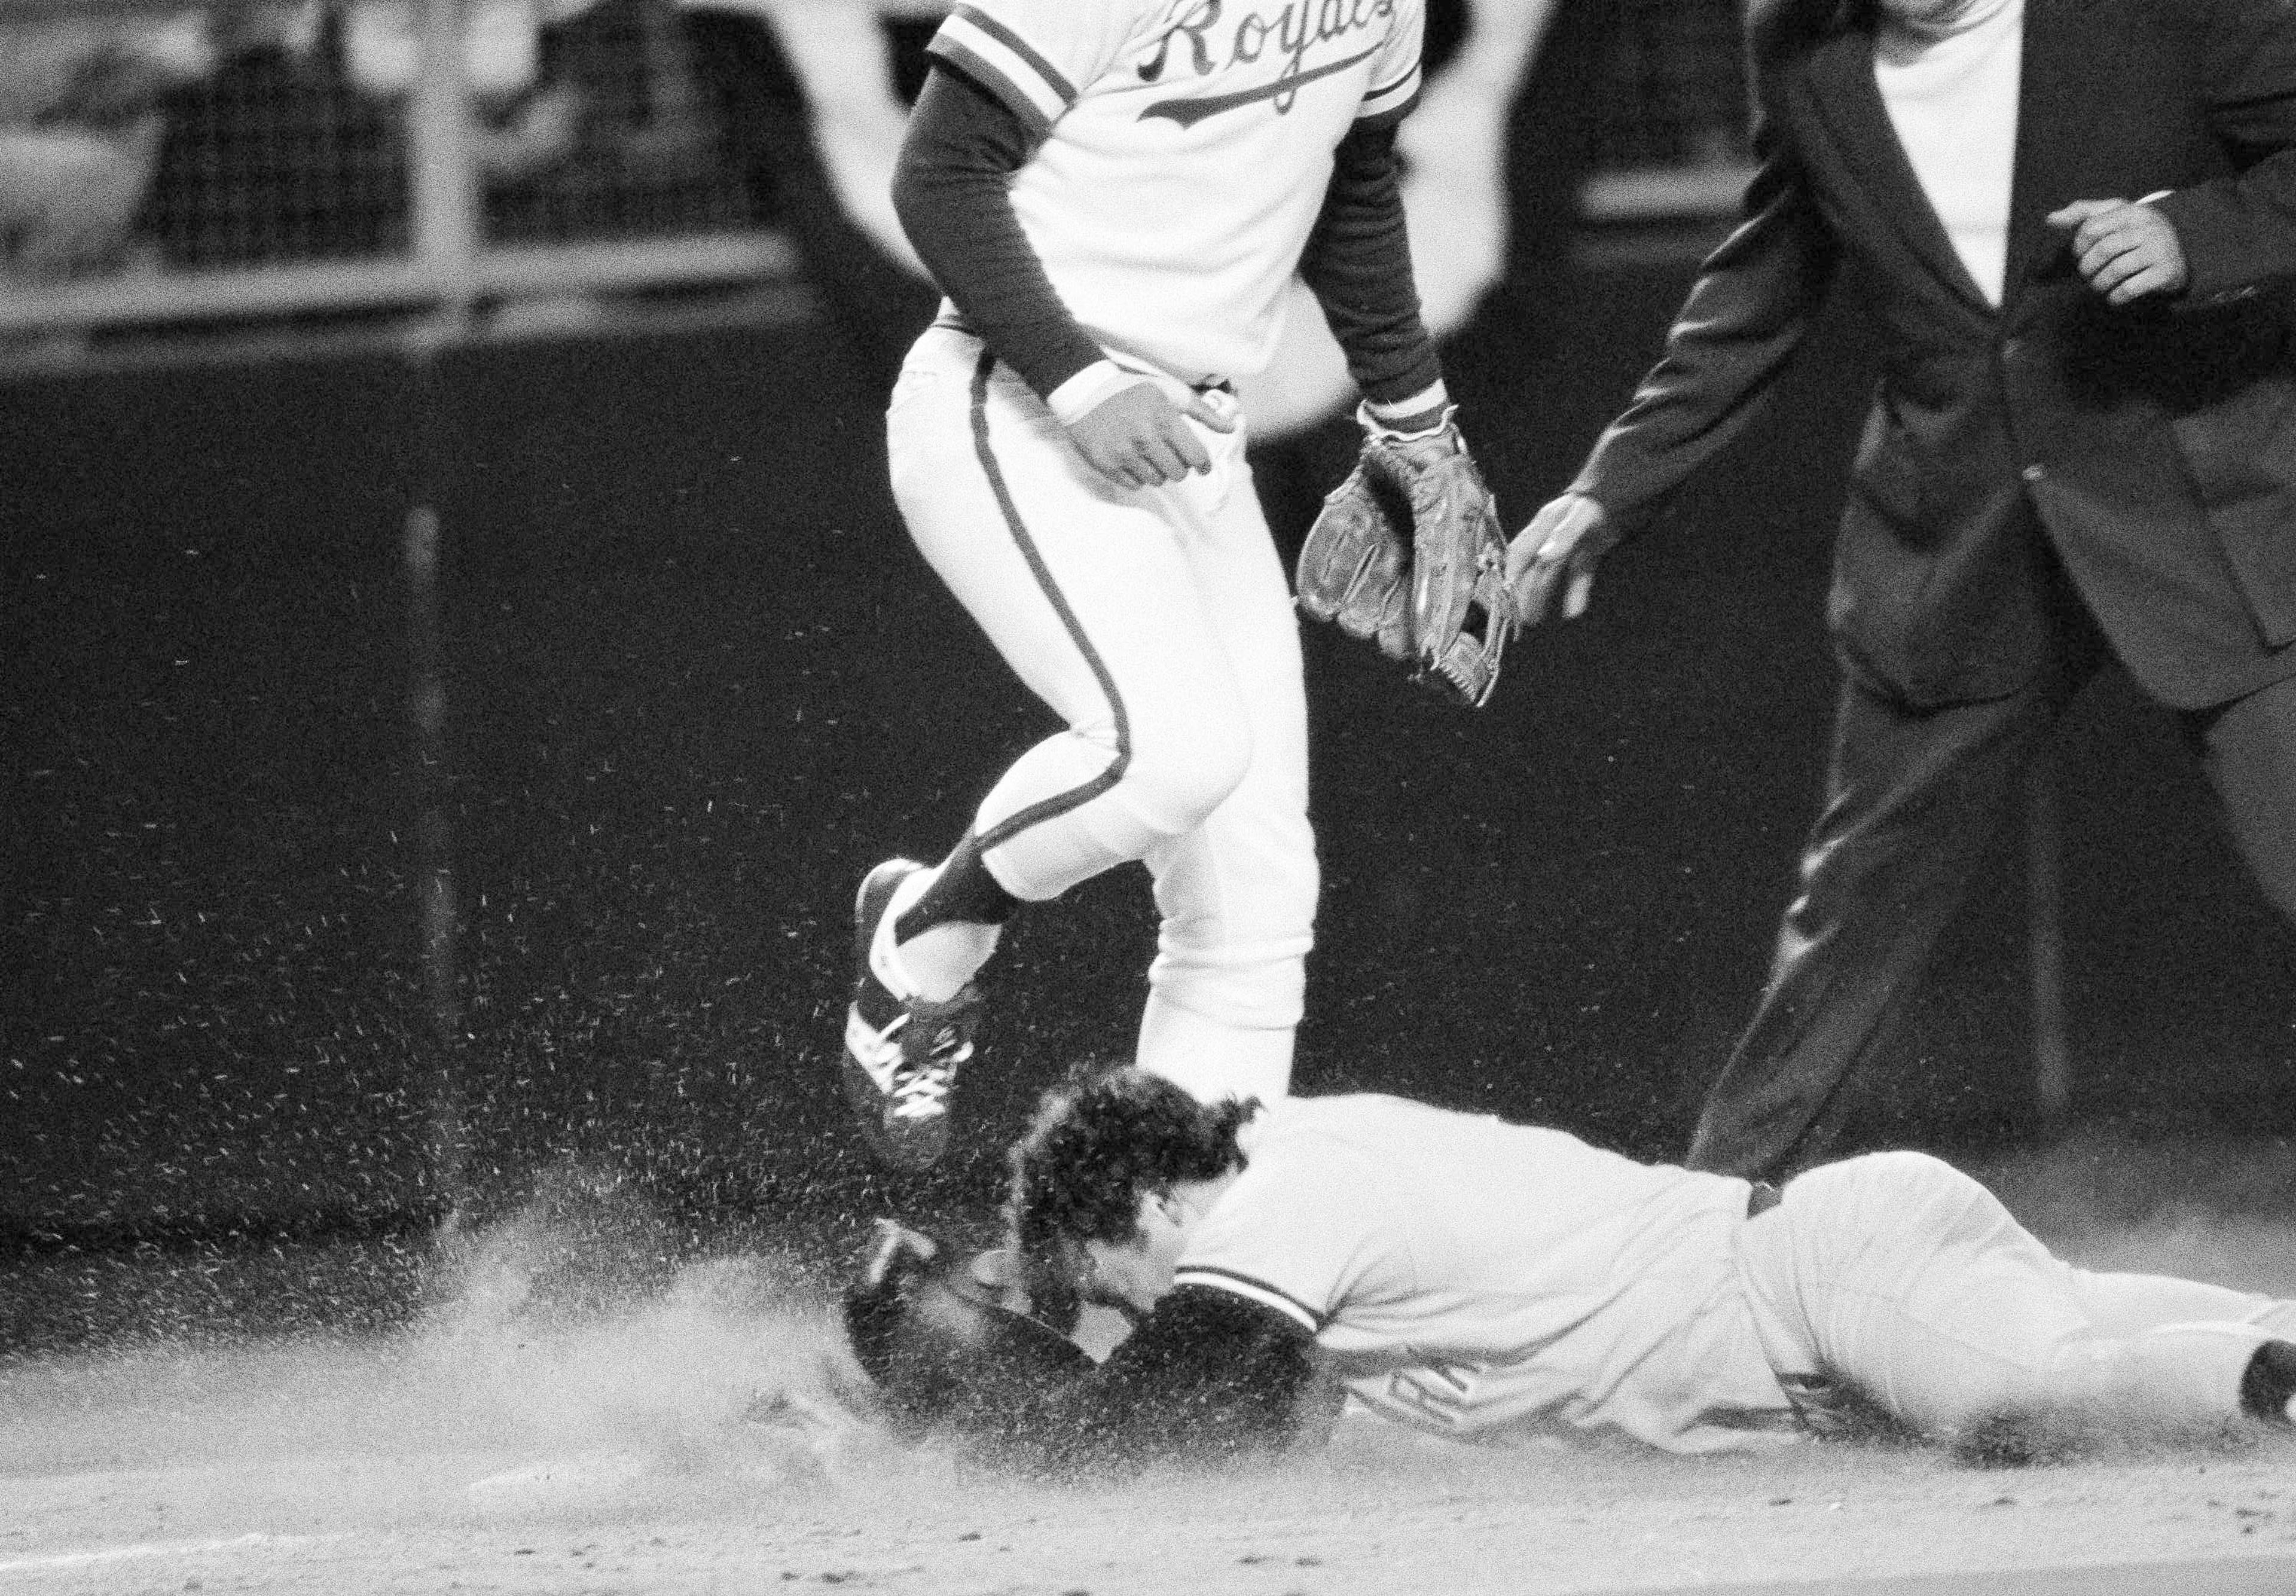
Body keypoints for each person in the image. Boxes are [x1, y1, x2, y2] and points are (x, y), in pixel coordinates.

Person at [1505, 0, 2296, 1185]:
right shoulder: (1806, 47)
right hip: (1956, 543)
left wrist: (2202, 236)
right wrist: (1611, 489)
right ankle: (1708, 1248)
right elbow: (1760, 290)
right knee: (1851, 925)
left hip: (2199, 521)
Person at [841, 0, 1485, 1168]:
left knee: (1254, 901)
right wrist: (1080, 382)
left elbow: (1351, 179)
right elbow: (938, 174)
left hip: (1194, 436)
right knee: (1173, 750)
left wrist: (1415, 415)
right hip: (1020, 398)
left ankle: (1173, 1284)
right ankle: (927, 934)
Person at [847, 1066, 2296, 1473]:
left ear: (1152, 1208)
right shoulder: (1299, 1173)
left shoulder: (1281, 1206)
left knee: (2033, 1395)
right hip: (1849, 1277)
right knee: (2096, 1343)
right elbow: (1245, 1412)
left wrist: (941, 1389)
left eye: (1113, 1281)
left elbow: (1149, 1429)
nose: (1129, 1313)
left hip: (1819, 1287)